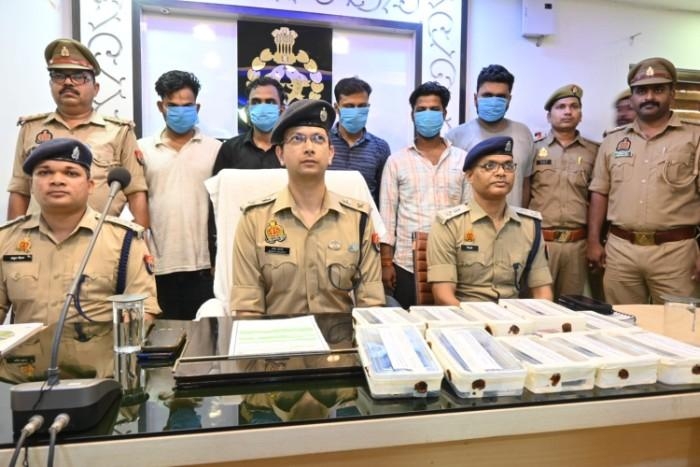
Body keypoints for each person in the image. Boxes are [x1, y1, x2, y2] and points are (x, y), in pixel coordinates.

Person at [230, 99, 385, 315]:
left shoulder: (358, 219)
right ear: (280, 155)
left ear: (331, 154)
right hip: (278, 335)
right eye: (297, 139)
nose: (309, 148)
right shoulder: (254, 219)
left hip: (340, 336)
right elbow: (247, 309)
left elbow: (371, 305)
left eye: (318, 139)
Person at [0, 138, 159, 325]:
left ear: (90, 186)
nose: (57, 181)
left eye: (71, 173)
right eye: (45, 172)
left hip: (101, 344)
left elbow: (143, 310)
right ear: (31, 186)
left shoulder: (124, 240)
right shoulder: (6, 239)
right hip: (29, 345)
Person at [587, 57, 700, 305]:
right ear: (633, 97)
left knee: (677, 322)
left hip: (676, 252)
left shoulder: (694, 137)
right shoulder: (613, 140)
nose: (649, 97)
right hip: (621, 251)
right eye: (641, 91)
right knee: (622, 321)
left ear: (672, 94)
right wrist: (594, 241)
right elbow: (600, 192)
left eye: (658, 89)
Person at [7, 38, 149, 228]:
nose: (68, 82)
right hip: (40, 237)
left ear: (95, 88)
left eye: (79, 77)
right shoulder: (31, 128)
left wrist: (138, 239)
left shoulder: (119, 132)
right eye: (59, 76)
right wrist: (12, 239)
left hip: (99, 236)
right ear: (50, 84)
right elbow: (20, 189)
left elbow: (136, 191)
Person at [427, 136, 553, 303]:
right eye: (490, 166)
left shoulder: (529, 225)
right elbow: (443, 295)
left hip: (514, 315)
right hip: (466, 314)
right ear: (469, 176)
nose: (501, 173)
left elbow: (543, 292)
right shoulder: (449, 224)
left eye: (508, 166)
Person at [138, 70, 221, 320]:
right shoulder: (142, 149)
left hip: (205, 267)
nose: (180, 111)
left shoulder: (216, 149)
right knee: (162, 338)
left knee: (206, 337)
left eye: (187, 105)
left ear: (197, 107)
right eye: (172, 105)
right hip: (159, 265)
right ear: (160, 106)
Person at [379, 81, 470, 309]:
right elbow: (387, 217)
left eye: (434, 109)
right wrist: (386, 263)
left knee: (451, 322)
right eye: (421, 109)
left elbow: (469, 214)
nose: (427, 114)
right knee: (409, 324)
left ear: (444, 114)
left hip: (453, 263)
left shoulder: (463, 160)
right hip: (406, 264)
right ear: (412, 115)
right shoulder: (396, 161)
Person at [524, 84, 599, 299]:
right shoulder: (534, 148)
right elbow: (525, 194)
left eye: (574, 106)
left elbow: (597, 198)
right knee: (536, 305)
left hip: (577, 246)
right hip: (541, 243)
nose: (568, 111)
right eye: (561, 107)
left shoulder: (594, 151)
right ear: (549, 116)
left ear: (580, 115)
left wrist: (594, 242)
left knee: (571, 306)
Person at [208, 76, 286, 267]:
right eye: (256, 102)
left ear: (282, 109)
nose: (263, 107)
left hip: (286, 245)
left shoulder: (293, 149)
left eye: (270, 102)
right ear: (248, 108)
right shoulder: (230, 149)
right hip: (240, 246)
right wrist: (215, 253)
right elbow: (216, 201)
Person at [446, 64, 534, 207]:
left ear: (509, 100)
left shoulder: (523, 134)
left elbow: (525, 183)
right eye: (487, 95)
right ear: (475, 98)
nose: (493, 102)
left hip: (512, 219)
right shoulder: (455, 137)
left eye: (501, 96)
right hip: (468, 220)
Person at [328, 77, 391, 206]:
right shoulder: (322, 141)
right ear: (336, 107)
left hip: (365, 216)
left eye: (362, 106)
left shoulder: (380, 148)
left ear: (368, 107)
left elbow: (383, 196)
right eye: (349, 106)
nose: (356, 111)